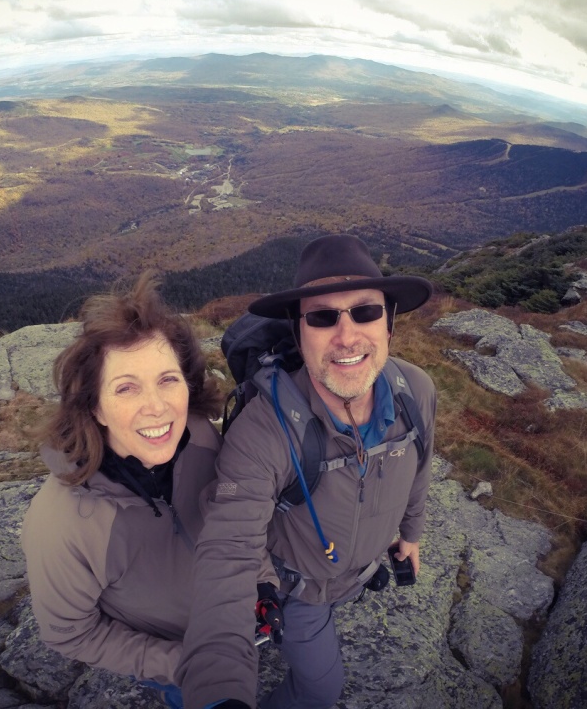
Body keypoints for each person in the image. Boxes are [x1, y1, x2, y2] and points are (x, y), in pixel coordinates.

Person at [178, 234, 437, 709]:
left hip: (363, 569)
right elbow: (230, 543)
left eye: (366, 311)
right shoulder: (266, 427)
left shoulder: (415, 392)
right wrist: (219, 687)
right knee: (321, 691)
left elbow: (419, 467)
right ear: (299, 331)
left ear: (390, 323)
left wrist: (411, 534)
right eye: (321, 317)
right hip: (302, 592)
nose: (347, 336)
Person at [22, 272, 223, 709]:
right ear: (95, 406)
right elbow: (69, 632)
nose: (157, 406)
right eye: (126, 388)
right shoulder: (63, 524)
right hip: (176, 659)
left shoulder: (203, 439)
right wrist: (178, 661)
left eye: (168, 379)